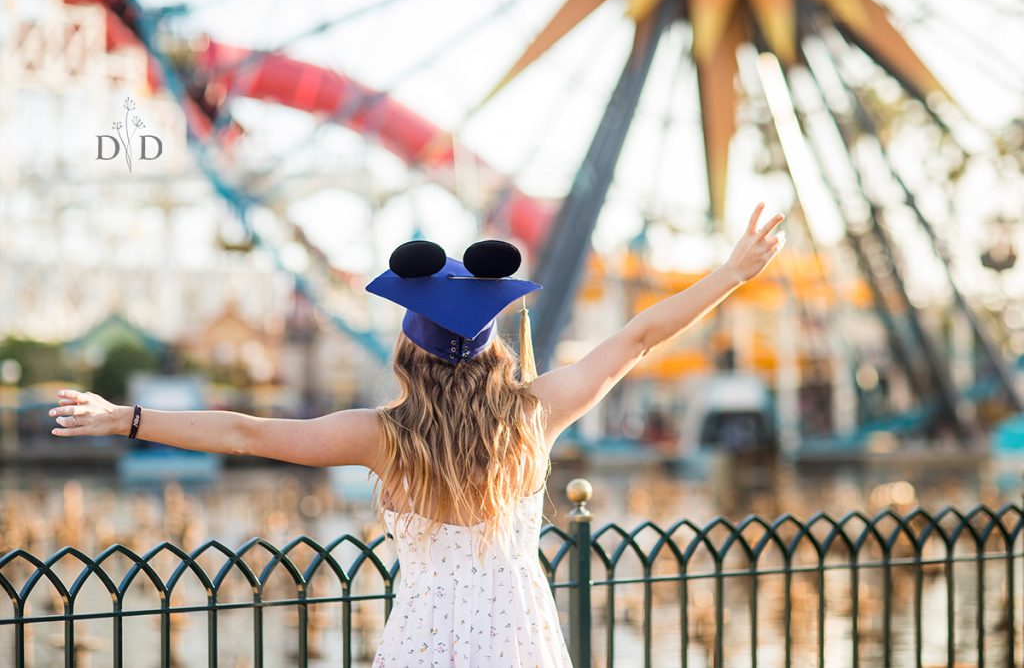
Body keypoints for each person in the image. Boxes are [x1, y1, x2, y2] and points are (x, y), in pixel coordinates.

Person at [49, 202, 784, 666]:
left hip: (424, 636)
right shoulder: (536, 414)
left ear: (408, 348)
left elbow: (247, 432)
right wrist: (731, 272)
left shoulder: (381, 437)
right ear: (495, 343)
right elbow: (639, 338)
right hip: (517, 637)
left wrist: (128, 416)